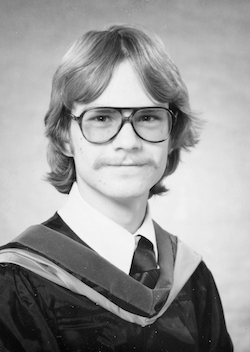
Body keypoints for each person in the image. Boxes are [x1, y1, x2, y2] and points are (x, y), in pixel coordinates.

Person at [0, 24, 233, 352]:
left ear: (172, 132)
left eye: (148, 117)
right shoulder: (16, 282)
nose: (128, 142)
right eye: (101, 118)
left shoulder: (191, 276)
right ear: (65, 136)